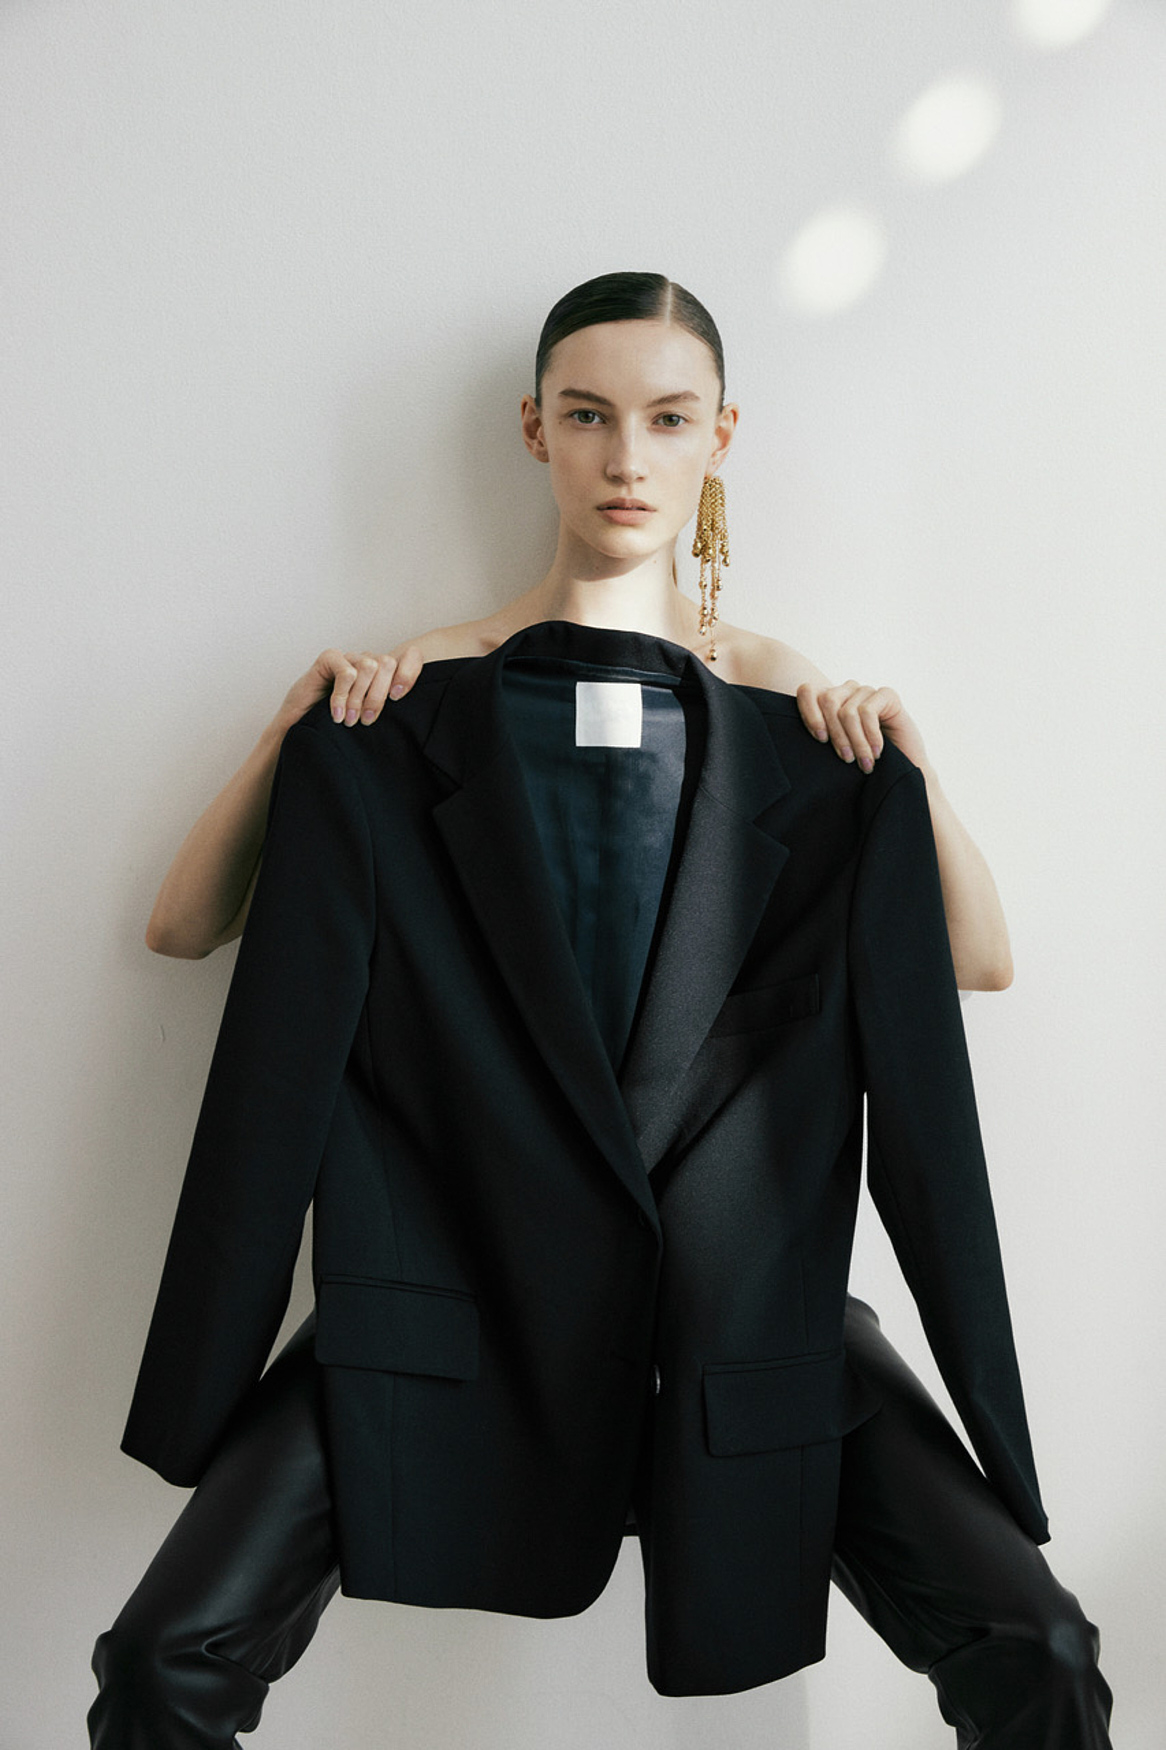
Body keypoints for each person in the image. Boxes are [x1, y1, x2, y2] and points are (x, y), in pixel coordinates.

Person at [89, 272, 1112, 1746]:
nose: (627, 457)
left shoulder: (790, 712)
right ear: (536, 431)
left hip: (743, 1320)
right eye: (587, 416)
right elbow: (186, 929)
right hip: (453, 1302)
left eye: (667, 418)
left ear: (719, 436)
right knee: (160, 1656)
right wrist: (289, 733)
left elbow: (978, 960)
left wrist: (907, 774)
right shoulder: (413, 699)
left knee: (1041, 1645)